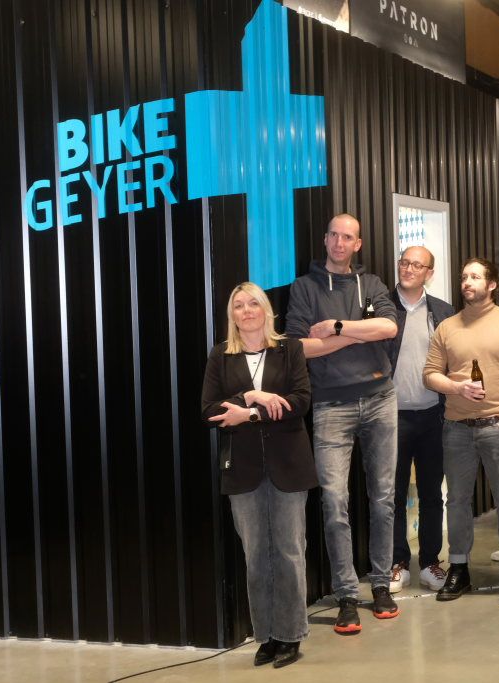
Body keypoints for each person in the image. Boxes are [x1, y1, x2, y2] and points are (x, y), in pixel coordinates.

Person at [285, 213, 400, 635]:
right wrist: (359, 334)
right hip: (331, 405)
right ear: (325, 239)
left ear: (357, 244)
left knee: (383, 498)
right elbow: (299, 347)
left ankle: (381, 584)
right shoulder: (304, 287)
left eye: (346, 236)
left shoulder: (372, 284)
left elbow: (388, 327)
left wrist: (336, 328)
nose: (338, 242)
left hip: (380, 398)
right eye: (333, 234)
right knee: (334, 502)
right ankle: (347, 594)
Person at [201, 283, 317, 668]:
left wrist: (249, 414)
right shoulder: (221, 355)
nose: (247, 310)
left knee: (288, 552)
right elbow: (209, 412)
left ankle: (290, 634)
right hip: (243, 471)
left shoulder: (290, 349)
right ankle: (266, 635)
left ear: (267, 310)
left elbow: (300, 402)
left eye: (254, 303)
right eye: (239, 305)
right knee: (256, 555)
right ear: (232, 315)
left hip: (289, 466)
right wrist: (251, 396)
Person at [423, 258, 499, 603]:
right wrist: (456, 387)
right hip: (456, 428)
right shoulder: (448, 327)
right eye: (464, 276)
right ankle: (459, 570)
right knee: (457, 501)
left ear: (492, 284)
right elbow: (430, 374)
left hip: (498, 425)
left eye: (475, 276)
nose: (467, 281)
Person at [387, 246, 455, 594]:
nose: (409, 268)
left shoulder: (442, 312)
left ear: (429, 273)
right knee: (393, 494)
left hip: (433, 415)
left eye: (417, 264)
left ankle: (430, 562)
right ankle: (397, 562)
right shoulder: (381, 308)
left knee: (431, 493)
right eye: (404, 262)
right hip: (391, 416)